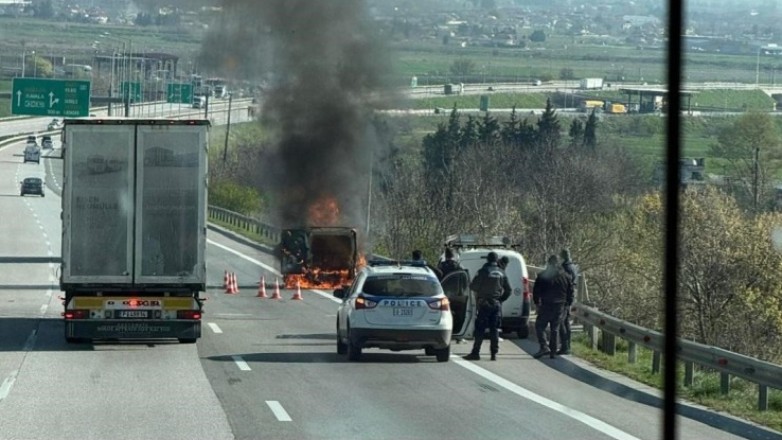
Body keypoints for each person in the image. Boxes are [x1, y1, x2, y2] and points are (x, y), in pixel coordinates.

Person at [463, 251, 512, 361]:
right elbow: (508, 290)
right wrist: (500, 300)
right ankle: (494, 353)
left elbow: (473, 286)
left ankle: (476, 352)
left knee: (480, 329)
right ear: (496, 260)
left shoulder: (483, 271)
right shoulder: (501, 272)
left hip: (484, 304)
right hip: (496, 304)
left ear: (487, 259)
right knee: (494, 329)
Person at [532, 254, 574, 359]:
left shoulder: (542, 276)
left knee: (540, 326)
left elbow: (536, 292)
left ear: (549, 263)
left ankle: (544, 346)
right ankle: (553, 351)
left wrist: (537, 303)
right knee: (555, 328)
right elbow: (571, 292)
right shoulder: (566, 276)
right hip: (560, 306)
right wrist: (568, 304)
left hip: (546, 305)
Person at [558, 248, 579, 355]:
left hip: (565, 297)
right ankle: (567, 345)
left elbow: (566, 283)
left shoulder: (565, 268)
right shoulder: (573, 267)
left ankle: (565, 346)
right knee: (566, 322)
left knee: (562, 322)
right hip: (570, 296)